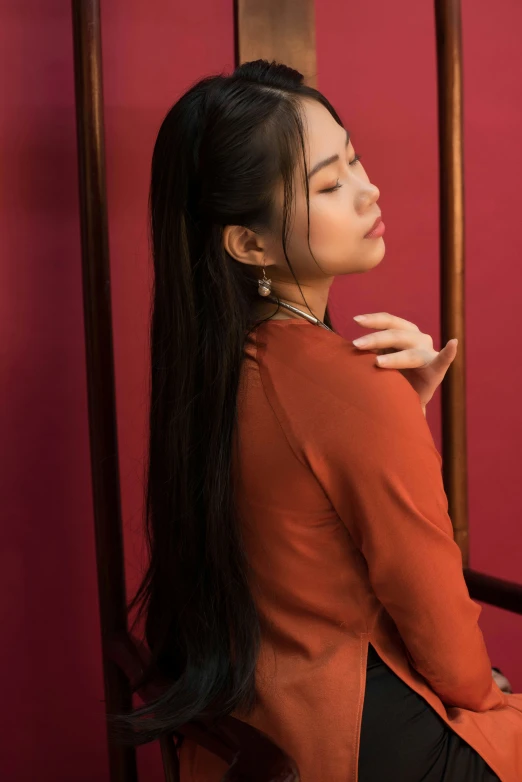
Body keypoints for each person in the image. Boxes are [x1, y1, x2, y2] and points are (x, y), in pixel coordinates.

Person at [110, 59, 522, 781]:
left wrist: (402, 409)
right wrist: (493, 697)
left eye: (354, 160)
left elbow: (298, 506)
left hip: (252, 732)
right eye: (330, 184)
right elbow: (455, 661)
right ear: (250, 245)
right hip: (360, 744)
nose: (369, 191)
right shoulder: (351, 386)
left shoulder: (217, 371)